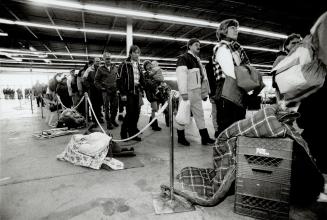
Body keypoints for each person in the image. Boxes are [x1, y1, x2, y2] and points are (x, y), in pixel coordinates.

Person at [213, 19, 250, 135]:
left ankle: (233, 151)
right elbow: (231, 72)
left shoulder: (237, 48)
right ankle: (225, 151)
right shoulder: (222, 47)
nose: (236, 30)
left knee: (237, 125)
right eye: (232, 28)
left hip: (237, 89)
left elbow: (245, 67)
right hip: (226, 90)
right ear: (224, 30)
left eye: (237, 28)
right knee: (227, 127)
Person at [175, 38, 215, 146]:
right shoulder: (183, 58)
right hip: (187, 92)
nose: (198, 46)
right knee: (183, 114)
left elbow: (203, 78)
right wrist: (183, 92)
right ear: (189, 46)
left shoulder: (197, 60)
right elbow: (181, 76)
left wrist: (204, 93)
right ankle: (181, 137)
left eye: (199, 45)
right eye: (196, 44)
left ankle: (205, 138)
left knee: (200, 115)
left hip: (196, 92)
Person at [117, 45, 144, 141]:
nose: (137, 55)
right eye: (135, 52)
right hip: (128, 92)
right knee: (130, 113)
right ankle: (126, 133)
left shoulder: (139, 66)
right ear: (130, 53)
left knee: (136, 114)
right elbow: (119, 80)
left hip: (137, 92)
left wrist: (144, 86)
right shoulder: (124, 64)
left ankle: (130, 132)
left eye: (138, 53)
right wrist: (123, 94)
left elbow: (141, 79)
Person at [95, 52, 119, 130]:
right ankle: (108, 122)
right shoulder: (100, 69)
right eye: (107, 59)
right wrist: (102, 88)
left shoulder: (115, 67)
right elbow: (96, 81)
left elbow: (118, 79)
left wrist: (118, 88)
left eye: (110, 58)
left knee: (115, 107)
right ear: (103, 59)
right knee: (106, 107)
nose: (109, 60)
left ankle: (113, 120)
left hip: (114, 91)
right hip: (105, 91)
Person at [143, 60, 163, 131]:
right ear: (145, 67)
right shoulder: (145, 74)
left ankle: (151, 122)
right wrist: (155, 83)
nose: (149, 66)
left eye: (150, 64)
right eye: (147, 65)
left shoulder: (153, 73)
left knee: (156, 108)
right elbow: (149, 84)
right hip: (151, 93)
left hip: (155, 93)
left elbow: (159, 81)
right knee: (154, 109)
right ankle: (155, 125)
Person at [83, 57, 103, 124]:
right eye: (97, 61)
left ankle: (99, 118)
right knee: (93, 105)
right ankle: (94, 120)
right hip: (92, 90)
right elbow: (84, 79)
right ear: (94, 62)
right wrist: (89, 86)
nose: (98, 62)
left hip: (99, 90)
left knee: (99, 105)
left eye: (99, 61)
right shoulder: (89, 69)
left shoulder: (101, 69)